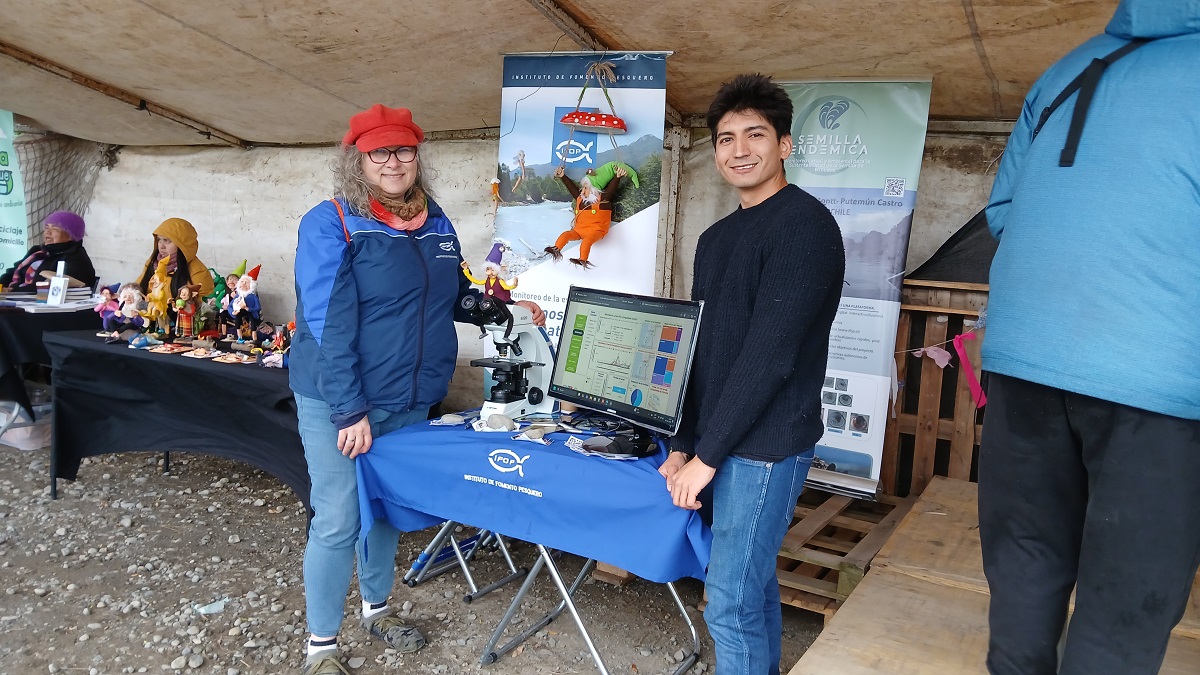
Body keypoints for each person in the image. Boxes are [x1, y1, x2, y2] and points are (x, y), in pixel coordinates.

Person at [979, 2, 1200, 673]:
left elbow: (1003, 213)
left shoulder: (1066, 67)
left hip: (1022, 359)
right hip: (1160, 376)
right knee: (1126, 597)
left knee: (1024, 562)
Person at [290, 103, 544, 675]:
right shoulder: (331, 222)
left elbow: (452, 293)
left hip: (409, 397)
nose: (393, 162)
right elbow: (328, 323)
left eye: (403, 149)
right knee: (339, 519)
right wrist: (348, 408)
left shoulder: (436, 221)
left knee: (385, 509)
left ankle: (376, 610)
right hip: (341, 398)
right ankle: (321, 649)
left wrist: (502, 311)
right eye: (379, 152)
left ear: (417, 156)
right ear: (357, 160)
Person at [659, 74, 844, 675]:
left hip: (765, 446)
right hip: (720, 437)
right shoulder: (716, 238)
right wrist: (683, 443)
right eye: (725, 138)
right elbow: (701, 349)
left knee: (728, 603)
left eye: (754, 135)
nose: (739, 150)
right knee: (751, 587)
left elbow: (769, 357)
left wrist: (706, 457)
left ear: (784, 144)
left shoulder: (804, 227)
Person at [544, 164, 627, 267]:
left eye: (586, 188)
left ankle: (582, 259)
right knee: (565, 235)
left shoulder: (602, 200)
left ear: (594, 189)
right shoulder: (580, 199)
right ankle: (556, 249)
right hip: (579, 230)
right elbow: (572, 188)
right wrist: (563, 176)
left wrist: (617, 177)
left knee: (587, 241)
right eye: (583, 188)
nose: (582, 191)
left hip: (596, 231)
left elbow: (611, 190)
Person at [0, 210, 96, 292]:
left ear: (70, 235)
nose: (47, 232)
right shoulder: (37, 250)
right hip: (15, 297)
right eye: (47, 227)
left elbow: (50, 289)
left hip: (40, 304)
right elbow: (12, 272)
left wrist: (12, 291)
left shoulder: (75, 258)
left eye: (55, 229)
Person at [137, 217, 214, 300]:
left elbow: (205, 305)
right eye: (159, 240)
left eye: (167, 241)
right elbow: (138, 289)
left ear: (182, 245)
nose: (161, 246)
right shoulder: (152, 263)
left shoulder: (198, 273)